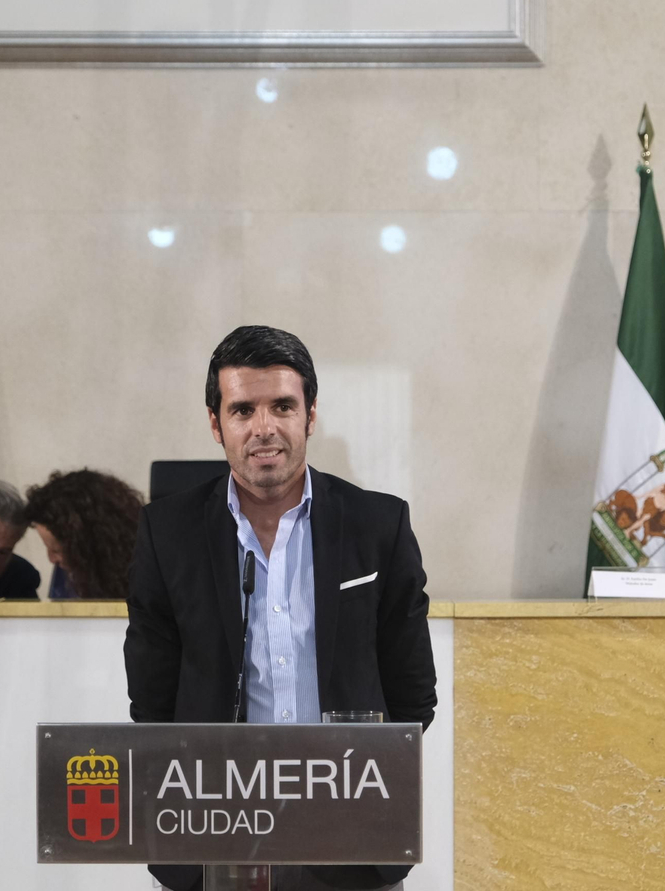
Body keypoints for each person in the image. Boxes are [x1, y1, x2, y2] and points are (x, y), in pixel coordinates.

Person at [124, 325, 436, 891]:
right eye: (243, 410)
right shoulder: (166, 534)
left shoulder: (377, 526)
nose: (264, 428)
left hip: (352, 842)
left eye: (282, 406)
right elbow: (152, 702)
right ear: (216, 425)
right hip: (210, 838)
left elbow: (413, 694)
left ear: (310, 415)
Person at [23, 468, 144, 599]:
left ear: (90, 546)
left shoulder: (155, 578)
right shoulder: (69, 573)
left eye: (57, 550)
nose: (51, 559)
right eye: (48, 548)